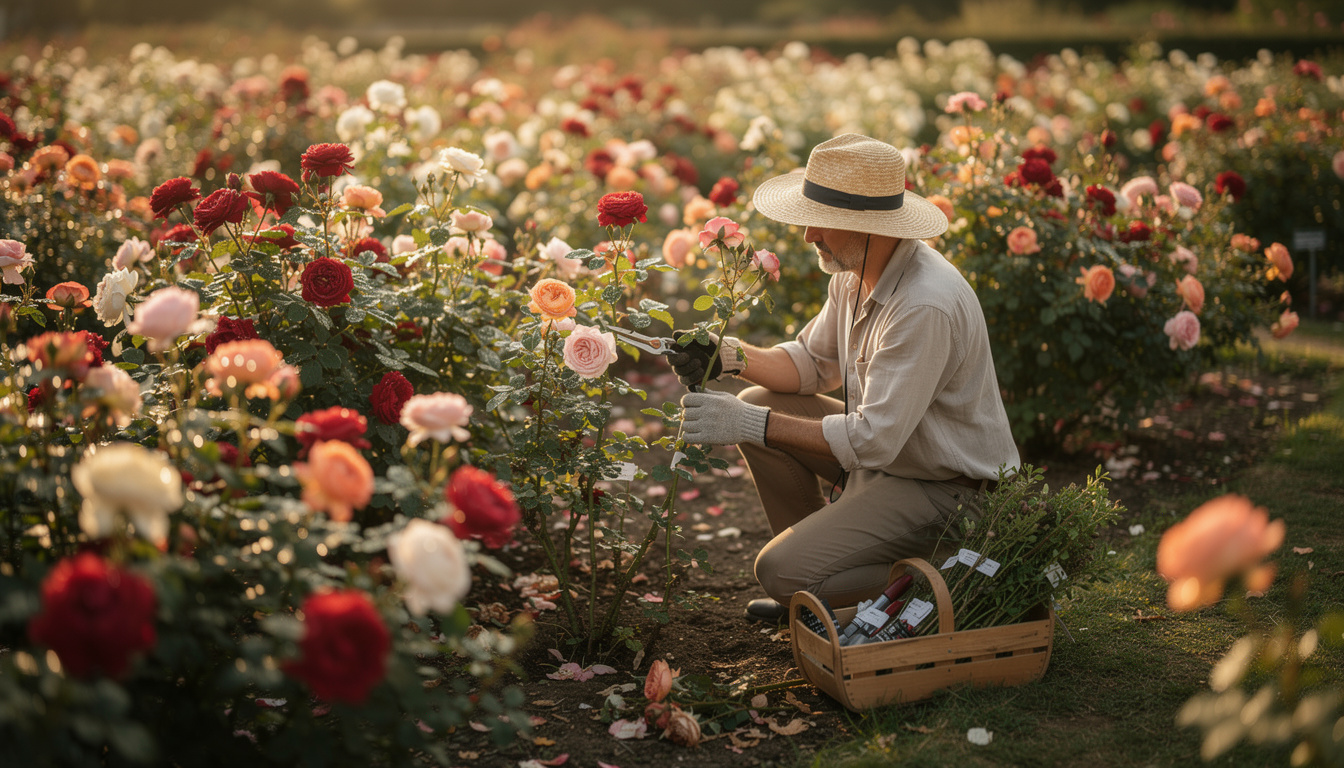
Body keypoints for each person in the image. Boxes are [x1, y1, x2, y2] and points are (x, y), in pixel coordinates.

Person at [671, 134, 1020, 622]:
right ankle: (823, 577)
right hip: (899, 462)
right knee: (762, 396)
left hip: (948, 491)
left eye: (822, 222)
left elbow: (873, 440)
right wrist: (726, 356)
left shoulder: (922, 304)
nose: (808, 235)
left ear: (870, 225)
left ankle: (957, 569)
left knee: (777, 570)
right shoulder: (855, 273)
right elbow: (812, 366)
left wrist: (749, 423)